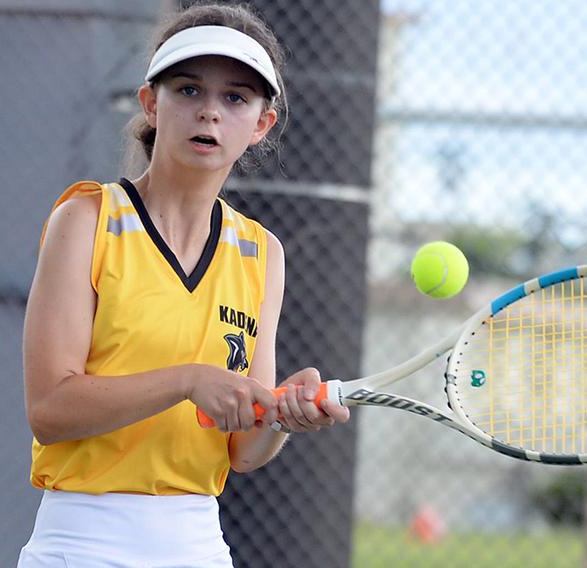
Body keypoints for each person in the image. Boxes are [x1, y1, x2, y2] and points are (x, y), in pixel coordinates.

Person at [18, 4, 349, 567]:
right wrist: (189, 381)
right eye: (189, 90)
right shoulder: (88, 219)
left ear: (261, 124)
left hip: (198, 544)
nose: (210, 114)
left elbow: (243, 450)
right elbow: (51, 408)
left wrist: (283, 417)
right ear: (152, 103)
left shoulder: (262, 252)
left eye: (236, 98)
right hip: (82, 541)